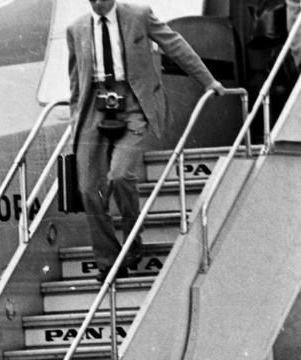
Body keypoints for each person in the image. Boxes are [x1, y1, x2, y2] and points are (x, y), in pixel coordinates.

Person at [67, 0, 224, 278]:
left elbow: (175, 46)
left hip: (133, 101)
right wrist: (75, 128)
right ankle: (108, 260)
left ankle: (132, 245)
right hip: (95, 105)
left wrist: (208, 80)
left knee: (120, 175)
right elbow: (76, 85)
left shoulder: (139, 16)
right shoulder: (76, 29)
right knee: (89, 188)